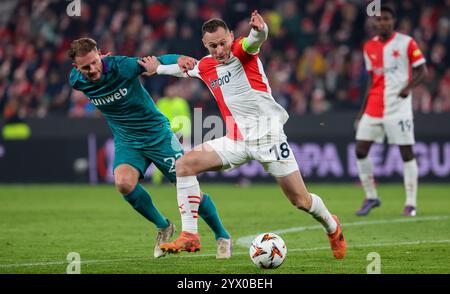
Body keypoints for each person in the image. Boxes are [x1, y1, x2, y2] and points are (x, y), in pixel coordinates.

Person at [139, 11, 346, 259]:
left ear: (231, 37)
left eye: (222, 43)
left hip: (269, 139)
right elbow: (183, 70)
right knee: (184, 165)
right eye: (212, 46)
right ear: (205, 46)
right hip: (236, 141)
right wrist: (157, 68)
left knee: (300, 200)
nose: (219, 50)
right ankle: (190, 235)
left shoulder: (241, 51)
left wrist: (260, 30)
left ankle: (332, 227)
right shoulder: (206, 66)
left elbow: (255, 40)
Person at [68, 38, 232, 259]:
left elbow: (155, 61)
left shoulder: (122, 66)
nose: (93, 69)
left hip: (157, 135)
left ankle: (222, 236)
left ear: (100, 54)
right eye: (85, 67)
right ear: (76, 68)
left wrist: (180, 59)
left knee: (188, 188)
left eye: (95, 62)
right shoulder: (76, 81)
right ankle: (164, 226)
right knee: (123, 183)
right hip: (127, 140)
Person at [354, 6, 428, 217]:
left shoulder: (406, 42)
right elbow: (371, 80)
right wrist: (362, 110)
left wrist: (407, 88)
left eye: (386, 18)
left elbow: (423, 70)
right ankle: (371, 196)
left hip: (398, 107)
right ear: (374, 23)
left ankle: (411, 203)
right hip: (374, 106)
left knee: (406, 153)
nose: (382, 23)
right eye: (378, 19)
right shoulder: (369, 46)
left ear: (393, 21)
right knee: (360, 150)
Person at [152, 84, 192, 185]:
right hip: (165, 133)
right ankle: (156, 180)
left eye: (173, 90)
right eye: (169, 90)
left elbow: (186, 117)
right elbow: (157, 118)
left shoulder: (181, 102)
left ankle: (186, 178)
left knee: (184, 156)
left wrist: (185, 134)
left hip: (179, 133)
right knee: (161, 156)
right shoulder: (161, 102)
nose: (171, 92)